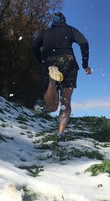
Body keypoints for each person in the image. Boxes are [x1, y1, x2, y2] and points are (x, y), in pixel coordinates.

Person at [32, 12, 92, 142]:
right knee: (65, 102)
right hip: (68, 61)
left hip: (50, 61)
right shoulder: (70, 29)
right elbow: (84, 42)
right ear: (64, 20)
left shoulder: (45, 32)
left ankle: (52, 82)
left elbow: (34, 47)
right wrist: (85, 64)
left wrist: (41, 61)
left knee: (51, 107)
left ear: (53, 22)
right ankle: (60, 133)